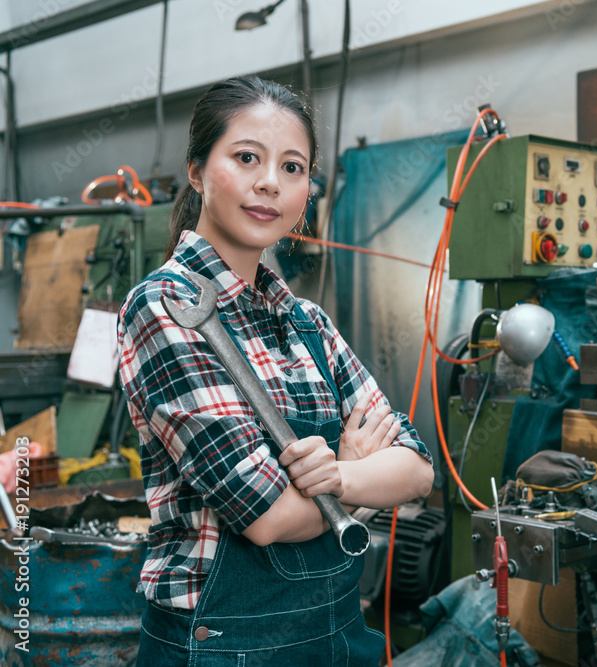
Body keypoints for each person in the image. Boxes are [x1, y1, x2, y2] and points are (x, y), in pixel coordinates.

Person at [117, 75, 434, 666]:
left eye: (293, 167)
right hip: (225, 646)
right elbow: (264, 517)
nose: (270, 182)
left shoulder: (307, 320)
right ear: (196, 170)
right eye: (245, 158)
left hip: (338, 632)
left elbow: (417, 469)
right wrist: (362, 472)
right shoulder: (160, 308)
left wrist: (336, 476)